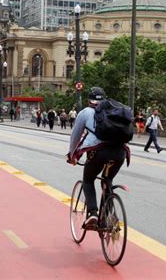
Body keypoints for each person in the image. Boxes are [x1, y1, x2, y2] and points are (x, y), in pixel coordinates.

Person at [67, 87, 129, 229]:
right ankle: (111, 217)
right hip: (120, 152)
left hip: (99, 153)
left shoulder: (86, 112)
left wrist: (72, 155)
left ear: (89, 100)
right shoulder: (115, 110)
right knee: (107, 180)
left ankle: (93, 214)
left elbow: (76, 135)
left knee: (88, 180)